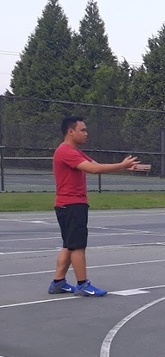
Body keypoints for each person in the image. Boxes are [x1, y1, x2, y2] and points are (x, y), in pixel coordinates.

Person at [49, 116, 139, 297]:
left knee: (70, 244)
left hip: (71, 204)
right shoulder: (66, 151)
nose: (86, 134)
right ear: (70, 131)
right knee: (78, 246)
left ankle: (58, 282)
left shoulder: (75, 151)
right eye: (82, 130)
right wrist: (121, 165)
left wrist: (122, 167)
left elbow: (95, 164)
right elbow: (93, 170)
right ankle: (83, 285)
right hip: (71, 204)